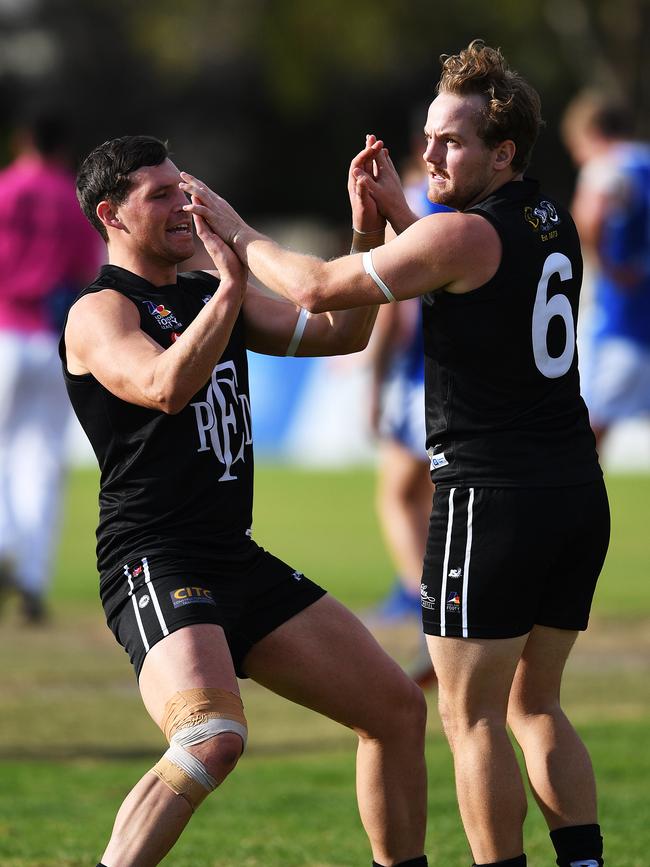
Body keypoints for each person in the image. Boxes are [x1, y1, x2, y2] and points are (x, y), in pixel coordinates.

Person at [180, 39, 610, 867]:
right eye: (428, 135)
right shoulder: (544, 218)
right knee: (537, 705)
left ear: (503, 151)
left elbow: (311, 288)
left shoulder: (460, 237)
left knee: (470, 716)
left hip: (491, 499)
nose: (428, 153)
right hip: (571, 494)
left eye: (451, 141)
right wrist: (388, 222)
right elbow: (461, 268)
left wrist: (231, 228)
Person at [61, 135, 428, 867]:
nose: (182, 203)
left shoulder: (201, 291)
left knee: (394, 709)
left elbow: (343, 333)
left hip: (234, 555)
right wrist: (229, 286)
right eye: (158, 194)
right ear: (110, 214)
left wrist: (361, 227)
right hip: (153, 560)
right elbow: (164, 387)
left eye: (182, 186)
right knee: (208, 737)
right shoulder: (99, 311)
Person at [0, 107, 102, 622]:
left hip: (4, 328)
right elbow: (90, 268)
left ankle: (4, 545)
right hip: (53, 336)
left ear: (22, 140)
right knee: (41, 462)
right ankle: (34, 579)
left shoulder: (6, 189)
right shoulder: (71, 197)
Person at [562, 90, 650, 447]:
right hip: (643, 321)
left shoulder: (605, 166)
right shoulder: (644, 162)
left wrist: (603, 264)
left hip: (614, 322)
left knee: (579, 438)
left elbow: (590, 217)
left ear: (593, 134)